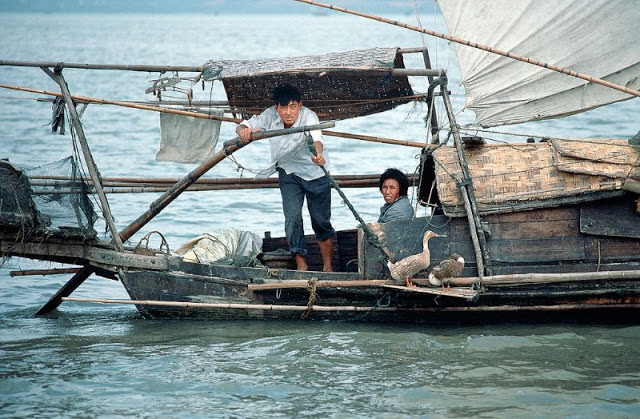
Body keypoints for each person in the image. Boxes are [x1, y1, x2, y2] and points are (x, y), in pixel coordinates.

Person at [236, 83, 334, 272]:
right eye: (284, 108)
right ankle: (301, 264)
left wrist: (318, 155)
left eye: (293, 107)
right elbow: (245, 125)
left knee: (320, 220)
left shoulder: (309, 116)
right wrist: (243, 131)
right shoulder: (270, 115)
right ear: (276, 108)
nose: (288, 112)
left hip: (316, 172)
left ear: (299, 105)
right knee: (293, 218)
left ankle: (328, 266)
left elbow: (317, 140)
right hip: (288, 172)